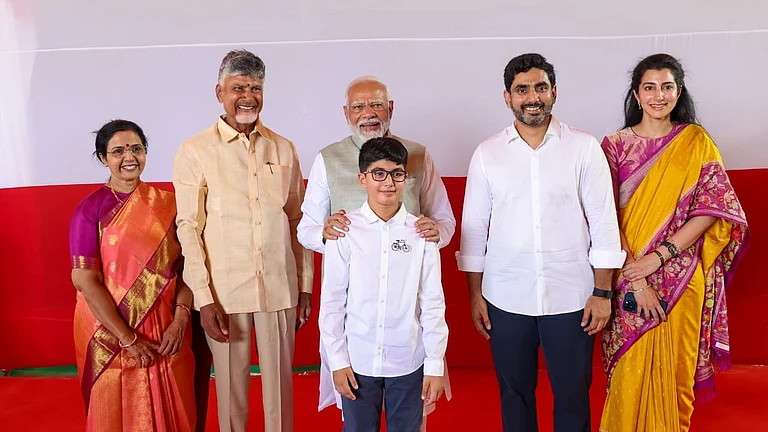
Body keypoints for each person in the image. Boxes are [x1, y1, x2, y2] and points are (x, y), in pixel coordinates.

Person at [456, 53, 626, 432]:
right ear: (507, 97)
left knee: (572, 393)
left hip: (573, 297)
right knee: (514, 392)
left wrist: (603, 291)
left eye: (540, 87)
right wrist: (475, 295)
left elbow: (603, 221)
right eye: (522, 90)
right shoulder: (487, 154)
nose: (532, 97)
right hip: (505, 296)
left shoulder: (583, 148)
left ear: (554, 92)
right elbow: (474, 230)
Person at [598, 53, 749, 432]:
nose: (658, 95)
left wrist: (660, 257)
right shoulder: (614, 146)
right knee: (628, 378)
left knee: (677, 380)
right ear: (637, 94)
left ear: (678, 92)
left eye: (667, 87)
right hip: (628, 276)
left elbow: (712, 207)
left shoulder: (696, 142)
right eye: (650, 87)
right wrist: (639, 278)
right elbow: (603, 217)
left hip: (682, 278)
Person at [298, 76, 455, 429]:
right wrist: (327, 234)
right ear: (346, 113)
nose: (368, 113)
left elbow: (444, 220)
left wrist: (436, 233)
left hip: (406, 327)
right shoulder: (327, 159)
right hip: (358, 331)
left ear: (391, 108)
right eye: (358, 106)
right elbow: (306, 229)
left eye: (376, 105)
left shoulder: (418, 155)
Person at [173, 49, 313, 432]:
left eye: (255, 87)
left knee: (280, 395)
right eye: (238, 87)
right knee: (231, 398)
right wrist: (203, 298)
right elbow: (188, 227)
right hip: (224, 293)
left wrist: (304, 285)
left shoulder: (284, 148)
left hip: (279, 289)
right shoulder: (195, 150)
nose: (247, 96)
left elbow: (297, 218)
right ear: (220, 92)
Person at [69, 120, 196, 431]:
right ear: (103, 158)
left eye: (136, 148)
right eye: (118, 151)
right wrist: (127, 339)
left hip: (166, 334)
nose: (129, 157)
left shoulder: (169, 205)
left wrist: (181, 319)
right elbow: (86, 281)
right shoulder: (89, 211)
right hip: (109, 333)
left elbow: (187, 270)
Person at [319, 137, 449, 432]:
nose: (388, 182)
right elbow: (331, 303)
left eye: (397, 173)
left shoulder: (422, 234)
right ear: (362, 179)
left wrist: (435, 364)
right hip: (357, 362)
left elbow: (432, 305)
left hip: (408, 362)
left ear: (406, 178)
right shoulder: (345, 232)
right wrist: (337, 361)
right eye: (379, 173)